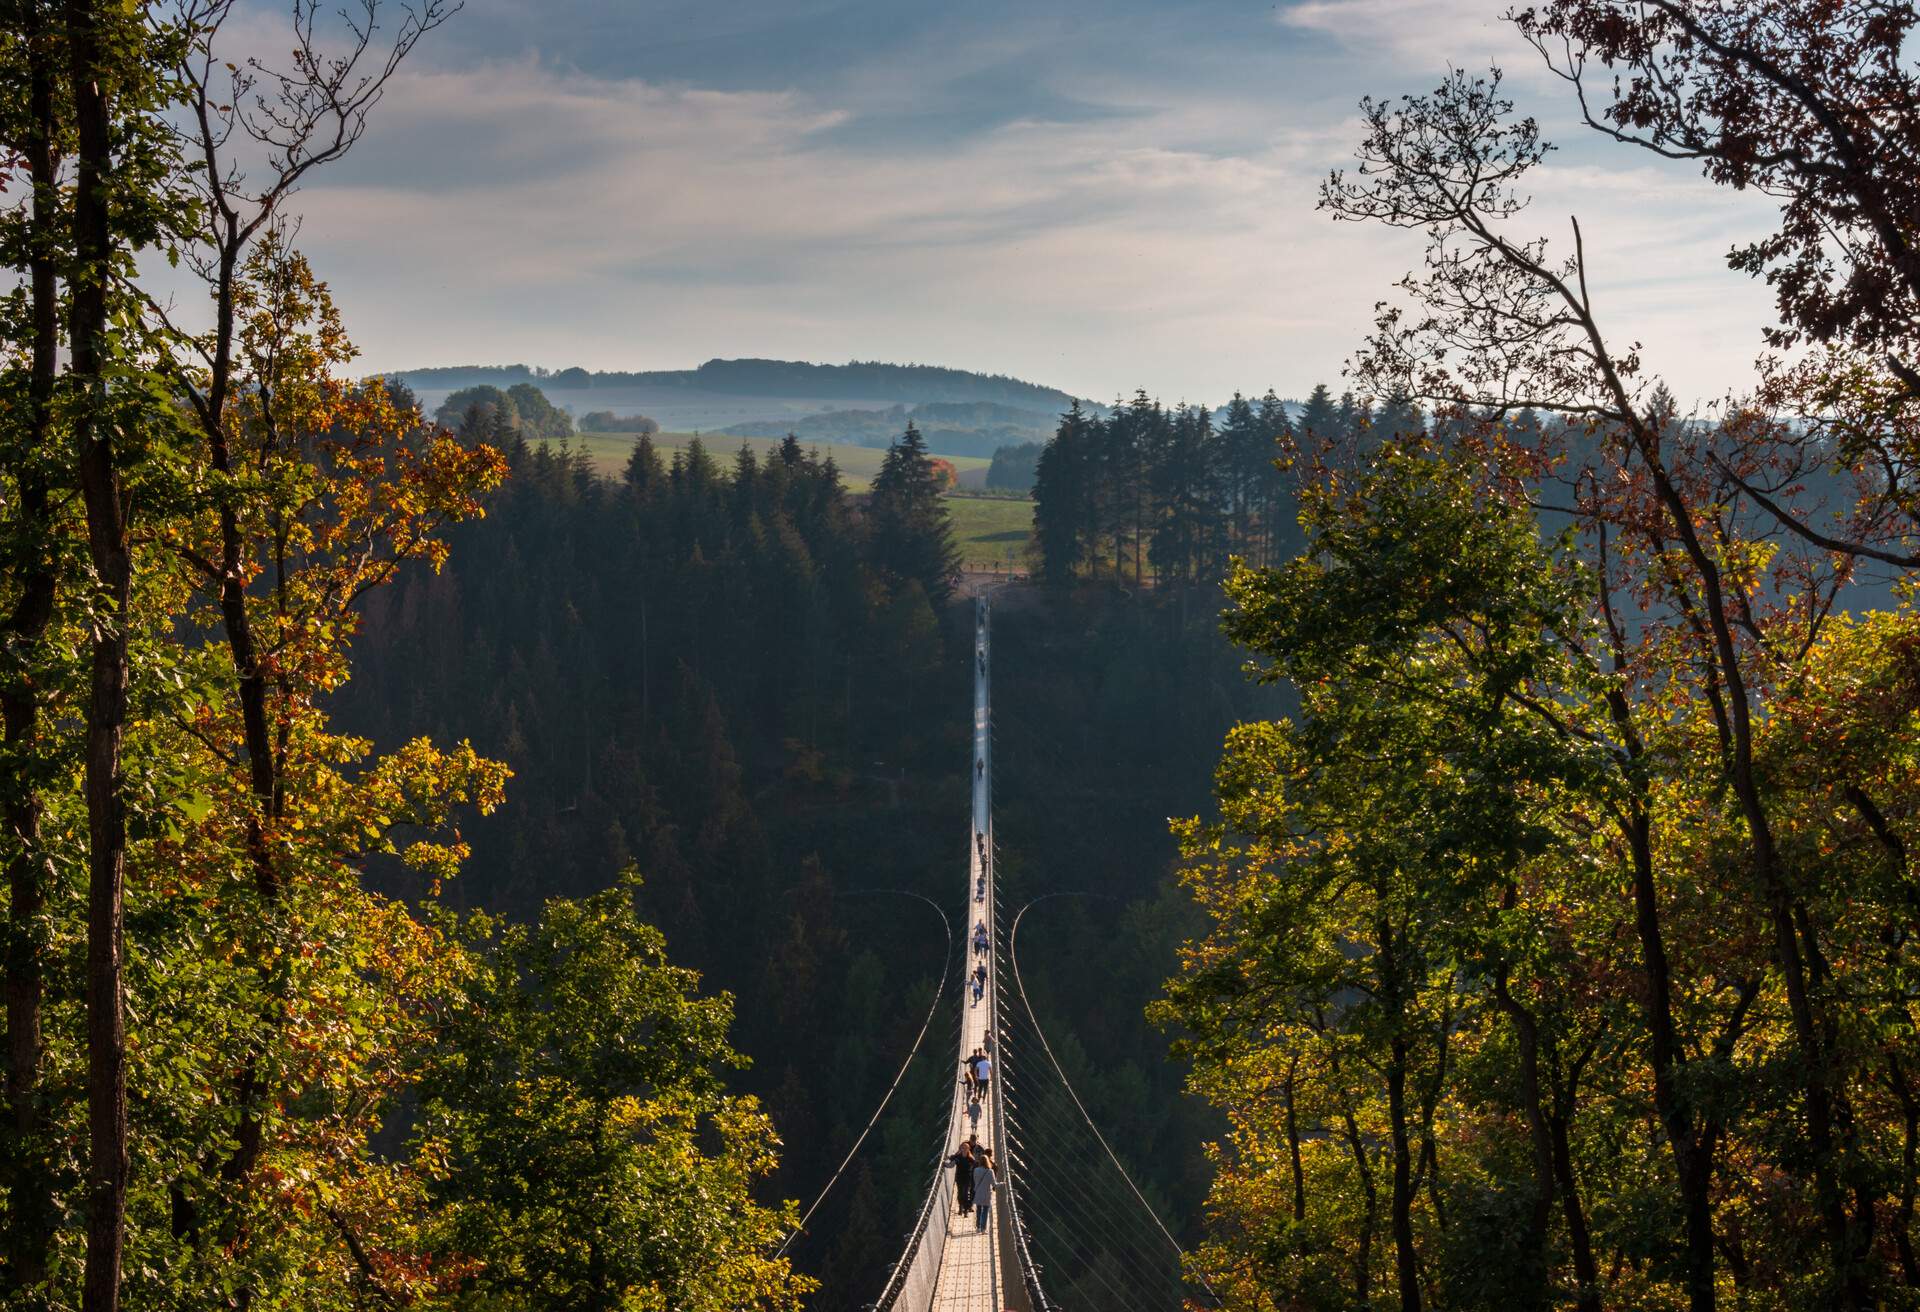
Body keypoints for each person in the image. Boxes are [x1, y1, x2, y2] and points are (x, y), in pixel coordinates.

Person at [972, 1149, 996, 1233]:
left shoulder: (976, 1170)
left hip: (978, 1192)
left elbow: (975, 1181)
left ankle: (978, 1227)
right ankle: (983, 1229)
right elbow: (994, 1184)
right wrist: (1003, 1184)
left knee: (978, 1209)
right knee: (985, 1211)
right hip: (986, 1194)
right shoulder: (990, 1171)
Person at [949, 1141, 974, 1216]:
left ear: (968, 1149)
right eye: (962, 1148)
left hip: (967, 1177)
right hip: (959, 1177)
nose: (964, 1149)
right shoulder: (958, 1157)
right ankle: (960, 1207)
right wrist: (944, 1164)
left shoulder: (971, 1158)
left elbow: (976, 1166)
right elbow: (951, 1164)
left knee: (966, 1193)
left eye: (965, 1148)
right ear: (961, 1149)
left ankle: (965, 1210)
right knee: (960, 1193)